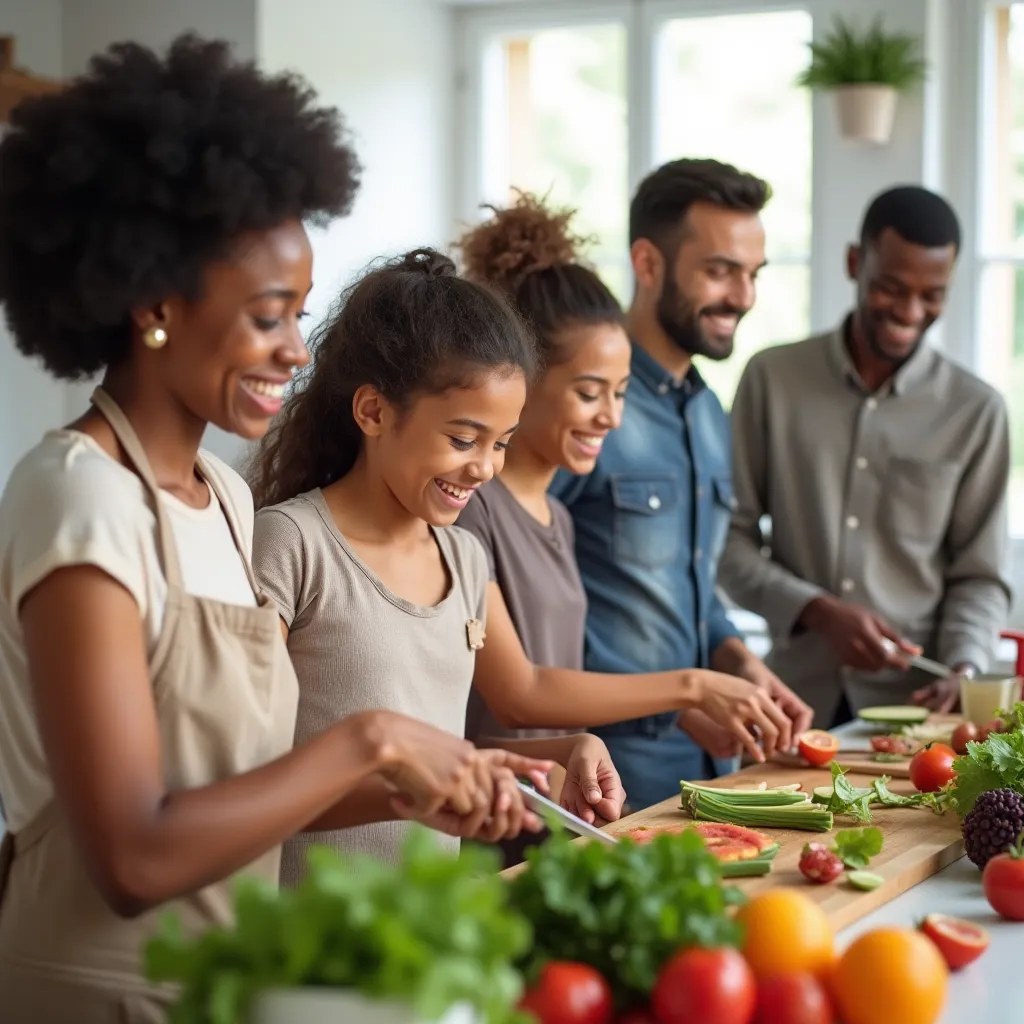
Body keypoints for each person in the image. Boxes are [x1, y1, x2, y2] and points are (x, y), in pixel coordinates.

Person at [0, 37, 548, 1022]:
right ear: (154, 306)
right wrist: (376, 739)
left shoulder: (223, 496)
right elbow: (133, 858)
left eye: (299, 314)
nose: (298, 351)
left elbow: (239, 796)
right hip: (104, 993)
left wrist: (423, 782)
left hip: (226, 979)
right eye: (268, 316)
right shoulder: (79, 499)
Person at [247, 244, 798, 875]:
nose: (484, 468)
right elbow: (248, 781)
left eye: (501, 443)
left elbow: (446, 749)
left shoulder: (462, 557)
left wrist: (566, 748)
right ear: (373, 411)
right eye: (463, 439)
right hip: (305, 917)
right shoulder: (290, 543)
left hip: (435, 910)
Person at [455, 193, 802, 836]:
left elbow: (684, 588)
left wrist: (723, 671)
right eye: (591, 393)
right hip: (512, 810)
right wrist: (691, 689)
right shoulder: (471, 509)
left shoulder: (559, 516)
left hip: (569, 802)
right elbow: (519, 692)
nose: (612, 418)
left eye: (619, 393)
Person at [550, 158, 814, 811]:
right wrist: (679, 702)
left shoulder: (708, 413)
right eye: (720, 271)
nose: (743, 297)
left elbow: (691, 583)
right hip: (606, 780)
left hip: (714, 772)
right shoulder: (579, 411)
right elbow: (524, 599)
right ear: (647, 263)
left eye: (753, 274)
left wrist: (738, 660)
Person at [719, 185, 1012, 725]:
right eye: (891, 288)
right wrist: (814, 609)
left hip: (919, 716)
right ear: (855, 263)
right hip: (788, 708)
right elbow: (726, 542)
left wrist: (965, 668)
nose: (910, 311)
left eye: (932, 295)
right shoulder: (771, 380)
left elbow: (980, 576)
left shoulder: (977, 412)